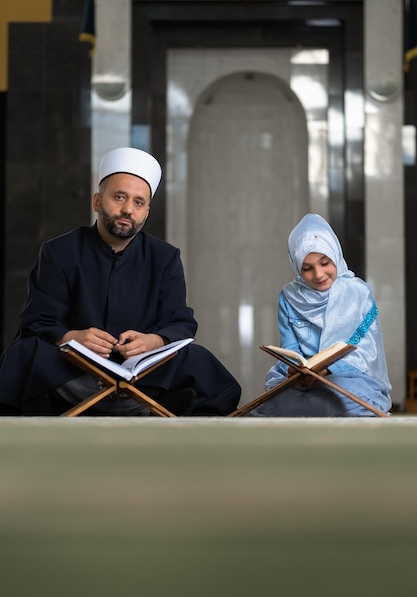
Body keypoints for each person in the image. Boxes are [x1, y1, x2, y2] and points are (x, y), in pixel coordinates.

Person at [0, 147, 241, 416]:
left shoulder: (165, 257)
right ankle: (138, 406)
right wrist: (73, 337)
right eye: (119, 197)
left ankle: (107, 404)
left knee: (198, 360)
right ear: (96, 201)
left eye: (139, 202)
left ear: (146, 212)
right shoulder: (59, 252)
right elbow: (38, 318)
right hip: (75, 366)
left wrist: (152, 341)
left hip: (142, 369)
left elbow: (180, 322)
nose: (127, 209)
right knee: (25, 352)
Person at [248, 213, 392, 417]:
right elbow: (289, 348)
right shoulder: (288, 296)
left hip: (348, 376)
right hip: (302, 378)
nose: (318, 275)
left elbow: (365, 348)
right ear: (297, 267)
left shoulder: (359, 292)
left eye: (325, 263)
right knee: (278, 401)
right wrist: (295, 370)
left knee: (345, 399)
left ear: (335, 255)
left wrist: (328, 370)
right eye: (307, 268)